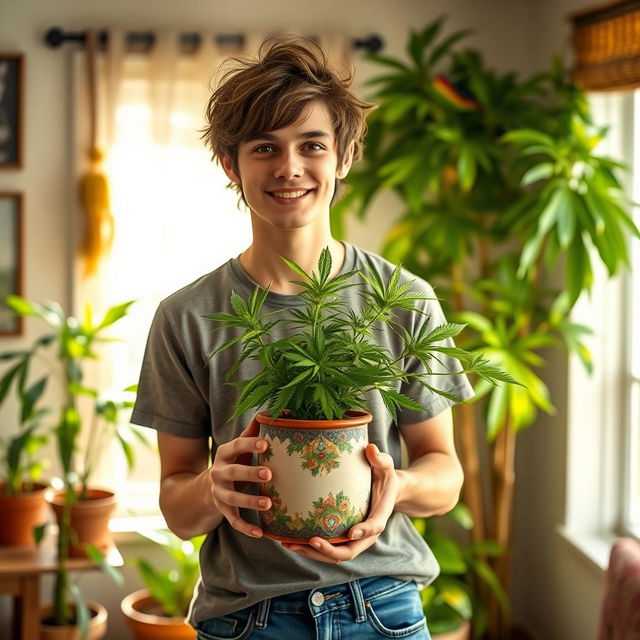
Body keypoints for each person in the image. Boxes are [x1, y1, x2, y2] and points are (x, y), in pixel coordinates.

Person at [131, 36, 474, 640]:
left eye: (311, 145)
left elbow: (444, 474)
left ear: (342, 158)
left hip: (384, 607)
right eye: (265, 148)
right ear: (231, 165)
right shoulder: (185, 316)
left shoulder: (405, 299)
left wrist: (399, 487)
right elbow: (177, 509)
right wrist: (213, 488)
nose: (288, 167)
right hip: (247, 616)